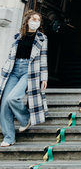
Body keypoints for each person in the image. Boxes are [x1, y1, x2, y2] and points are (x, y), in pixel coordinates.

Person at [0, 10, 48, 147]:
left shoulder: (42, 38)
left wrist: (44, 78)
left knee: (12, 98)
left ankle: (25, 118)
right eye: (34, 19)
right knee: (4, 104)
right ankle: (9, 138)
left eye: (38, 20)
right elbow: (10, 57)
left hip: (29, 70)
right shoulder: (17, 36)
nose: (36, 22)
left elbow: (43, 58)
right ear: (27, 20)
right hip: (13, 70)